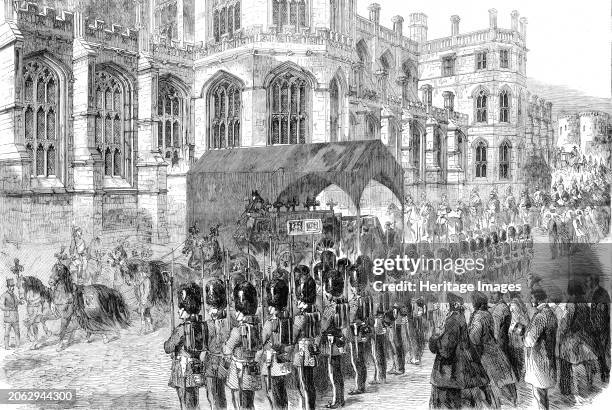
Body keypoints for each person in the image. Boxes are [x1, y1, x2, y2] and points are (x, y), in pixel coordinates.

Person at [428, 292, 492, 408]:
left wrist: (434, 338)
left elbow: (446, 350)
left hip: (449, 376)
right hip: (459, 372)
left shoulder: (453, 320)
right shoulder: (459, 317)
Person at [468, 291, 517, 407]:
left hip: (484, 353)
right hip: (493, 349)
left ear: (475, 302)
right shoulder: (487, 313)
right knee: (500, 379)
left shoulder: (479, 316)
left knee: (489, 383)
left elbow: (474, 337)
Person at [164, 282, 207, 410]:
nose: (179, 311)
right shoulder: (202, 326)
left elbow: (168, 347)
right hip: (196, 367)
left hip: (182, 370)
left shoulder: (181, 329)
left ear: (186, 310)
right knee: (194, 401)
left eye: (182, 308)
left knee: (185, 402)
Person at [223, 281, 262, 410]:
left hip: (239, 370)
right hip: (252, 369)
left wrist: (225, 345)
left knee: (238, 402)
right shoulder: (257, 327)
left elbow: (227, 349)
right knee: (249, 403)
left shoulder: (237, 331)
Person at [558, 281, 598, 398]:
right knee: (585, 365)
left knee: (574, 367)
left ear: (571, 291)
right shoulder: (584, 304)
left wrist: (560, 333)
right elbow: (588, 322)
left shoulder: (571, 304)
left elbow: (565, 324)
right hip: (584, 339)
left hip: (572, 341)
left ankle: (577, 394)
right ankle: (586, 388)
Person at [261, 277, 293, 410]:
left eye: (271, 305)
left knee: (273, 392)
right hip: (284, 359)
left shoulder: (269, 323)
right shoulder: (287, 320)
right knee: (281, 392)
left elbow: (261, 340)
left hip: (272, 362)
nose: (268, 308)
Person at [524, 288, 557, 410]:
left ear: (537, 299)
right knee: (543, 393)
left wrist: (523, 333)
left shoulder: (541, 316)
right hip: (547, 356)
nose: (531, 300)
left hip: (539, 358)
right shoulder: (551, 314)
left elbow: (530, 340)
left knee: (539, 394)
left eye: (532, 298)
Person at [319, 269, 348, 408]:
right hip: (340, 339)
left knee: (333, 372)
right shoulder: (343, 303)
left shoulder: (331, 307)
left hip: (331, 342)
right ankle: (340, 398)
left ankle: (338, 400)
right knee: (337, 371)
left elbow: (323, 326)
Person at [292, 273, 320, 410]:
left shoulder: (300, 318)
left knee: (303, 383)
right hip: (311, 349)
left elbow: (293, 337)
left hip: (302, 352)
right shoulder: (316, 315)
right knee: (309, 383)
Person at [204, 278, 230, 410]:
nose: (211, 311)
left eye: (215, 308)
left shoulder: (228, 322)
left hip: (224, 361)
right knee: (212, 396)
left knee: (220, 395)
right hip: (211, 361)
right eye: (211, 308)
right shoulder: (208, 323)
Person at [588, 274, 610, 383]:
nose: (587, 284)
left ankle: (604, 373)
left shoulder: (600, 293)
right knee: (600, 351)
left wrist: (595, 328)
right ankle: (603, 372)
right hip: (600, 328)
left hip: (600, 329)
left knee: (601, 351)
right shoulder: (598, 292)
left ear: (594, 282)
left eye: (589, 281)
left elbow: (601, 314)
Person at [1, 278, 21, 350]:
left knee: (17, 332)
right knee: (7, 333)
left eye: (13, 286)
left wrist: (20, 302)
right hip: (8, 317)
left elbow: (17, 302)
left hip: (15, 317)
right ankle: (6, 346)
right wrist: (9, 308)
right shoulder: (4, 295)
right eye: (11, 286)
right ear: (8, 286)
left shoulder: (15, 296)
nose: (12, 288)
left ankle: (18, 345)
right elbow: (1, 306)